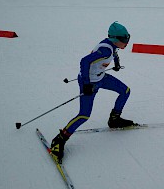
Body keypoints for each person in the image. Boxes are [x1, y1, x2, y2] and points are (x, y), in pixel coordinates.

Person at [50, 22, 135, 163]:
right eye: (124, 40)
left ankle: (114, 119)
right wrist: (87, 83)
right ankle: (59, 140)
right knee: (84, 115)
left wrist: (117, 63)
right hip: (88, 82)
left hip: (101, 78)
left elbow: (115, 53)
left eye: (128, 38)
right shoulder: (106, 49)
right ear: (115, 39)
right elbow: (84, 61)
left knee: (125, 91)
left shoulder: (112, 46)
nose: (127, 42)